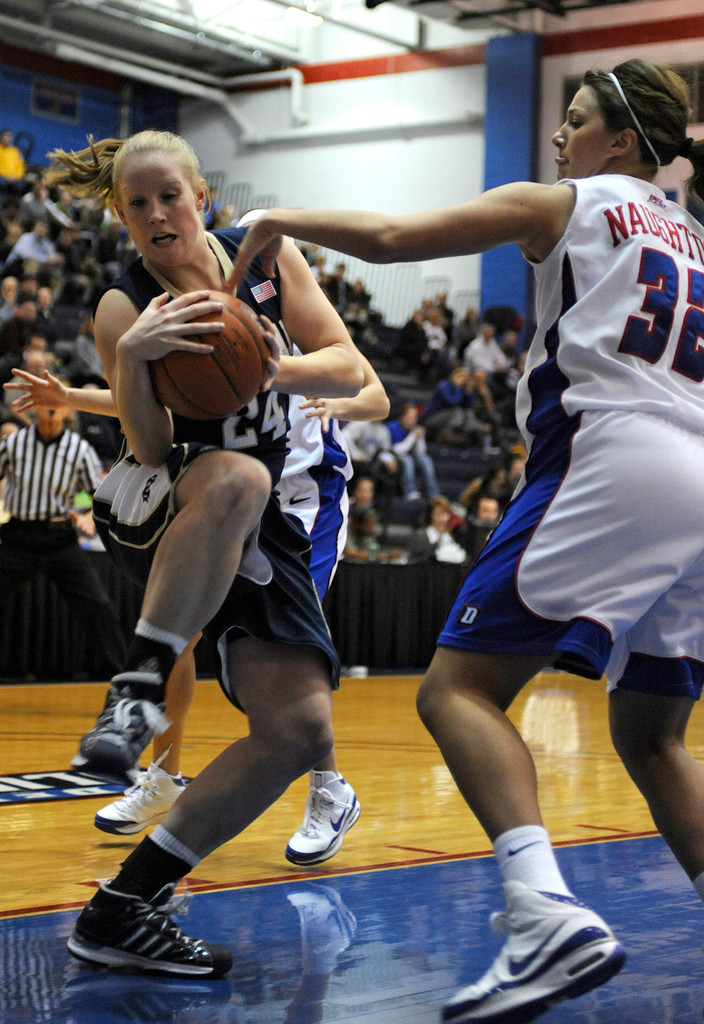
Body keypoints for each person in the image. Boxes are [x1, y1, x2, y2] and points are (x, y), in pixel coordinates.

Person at [230, 58, 704, 1023]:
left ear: (621, 142)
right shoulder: (696, 240)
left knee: (458, 692)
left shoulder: (571, 200)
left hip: (613, 453)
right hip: (698, 479)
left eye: (574, 121)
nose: (561, 138)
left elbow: (401, 238)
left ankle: (542, 912)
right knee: (653, 736)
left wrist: (280, 216)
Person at [11, 128, 363, 980]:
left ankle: (124, 907)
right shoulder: (124, 304)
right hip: (167, 499)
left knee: (297, 729)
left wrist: (264, 365)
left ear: (202, 197)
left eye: (170, 194)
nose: (157, 213)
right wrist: (132, 362)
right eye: (138, 205)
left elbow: (349, 369)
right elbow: (146, 440)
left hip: (266, 519)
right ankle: (134, 694)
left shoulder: (267, 260)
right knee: (236, 475)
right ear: (124, 222)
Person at [0, 388, 127, 679]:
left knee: (98, 607)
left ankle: (124, 682)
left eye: (55, 401)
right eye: (43, 401)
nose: (50, 407)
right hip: (19, 536)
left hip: (60, 539)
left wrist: (86, 516)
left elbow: (94, 493)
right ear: (34, 407)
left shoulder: (79, 449)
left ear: (68, 409)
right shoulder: (13, 444)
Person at [387, 402, 440, 500]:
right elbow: (397, 450)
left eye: (414, 417)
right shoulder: (393, 427)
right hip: (394, 455)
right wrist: (412, 436)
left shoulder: (415, 429)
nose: (411, 420)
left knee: (426, 460)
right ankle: (410, 491)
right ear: (402, 417)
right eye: (409, 417)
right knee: (408, 460)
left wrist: (420, 438)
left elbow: (421, 452)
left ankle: (433, 493)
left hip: (410, 454)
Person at [407, 494, 468, 565]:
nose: (443, 519)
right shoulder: (420, 536)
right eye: (438, 514)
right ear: (430, 516)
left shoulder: (449, 537)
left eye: (446, 514)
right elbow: (413, 562)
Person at [0, 130, 25, 198]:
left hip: (15, 178)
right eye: (4, 136)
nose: (6, 138)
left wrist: (16, 176)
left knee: (20, 184)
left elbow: (21, 167)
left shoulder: (16, 151)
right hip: (2, 177)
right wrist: (6, 176)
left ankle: (14, 205)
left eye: (9, 136)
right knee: (1, 182)